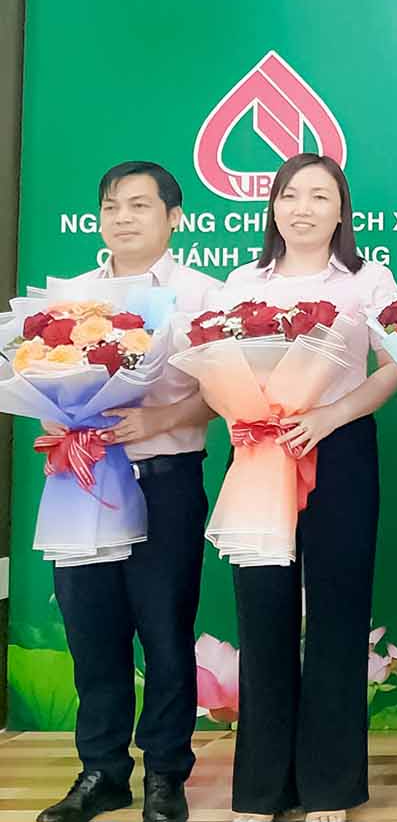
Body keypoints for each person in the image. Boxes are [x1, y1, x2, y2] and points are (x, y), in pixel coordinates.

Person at [221, 153, 397, 822]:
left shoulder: (368, 280)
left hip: (341, 448)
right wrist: (244, 409)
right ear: (273, 206)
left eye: (320, 196)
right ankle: (264, 788)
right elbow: (217, 363)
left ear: (340, 211)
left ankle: (330, 786)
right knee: (262, 610)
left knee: (337, 612)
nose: (303, 208)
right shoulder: (243, 281)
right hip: (260, 452)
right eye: (290, 194)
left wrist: (332, 414)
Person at [38, 163, 221, 822]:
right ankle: (101, 771)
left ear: (174, 218)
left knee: (164, 631)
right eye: (112, 206)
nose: (123, 218)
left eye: (140, 206)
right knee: (91, 630)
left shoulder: (203, 294)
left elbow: (226, 391)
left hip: (163, 479)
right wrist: (55, 417)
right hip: (80, 479)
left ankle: (166, 773)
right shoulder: (67, 298)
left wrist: (161, 419)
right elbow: (43, 379)